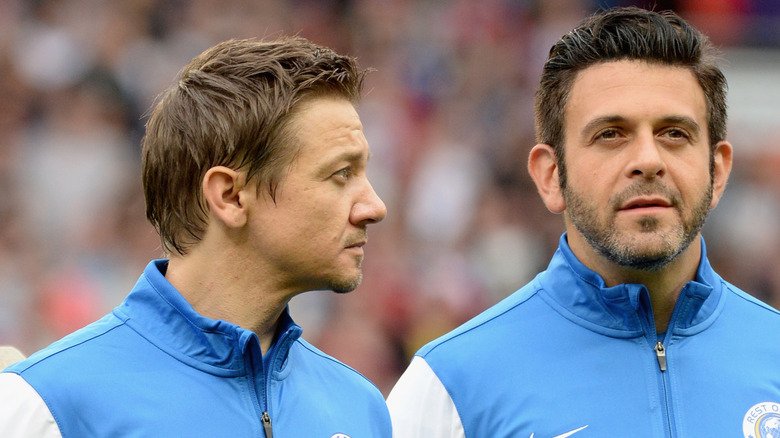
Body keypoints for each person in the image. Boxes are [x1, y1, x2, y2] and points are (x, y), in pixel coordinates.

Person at [387, 6, 780, 437]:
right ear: (551, 176)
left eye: (674, 133)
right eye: (610, 134)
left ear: (718, 171)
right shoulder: (450, 388)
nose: (648, 160)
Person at [0, 37, 390, 437]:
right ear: (230, 196)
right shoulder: (47, 406)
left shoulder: (360, 407)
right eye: (341, 173)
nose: (374, 206)